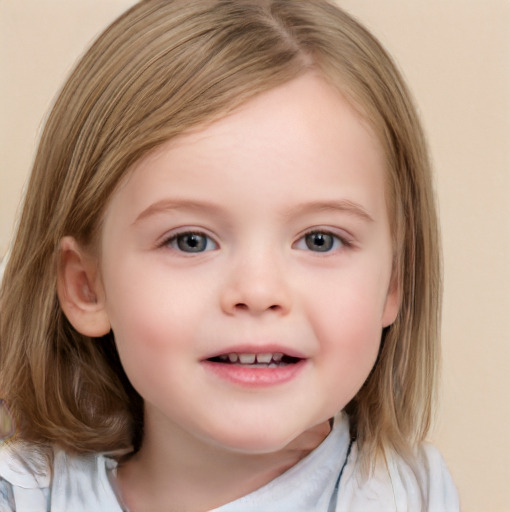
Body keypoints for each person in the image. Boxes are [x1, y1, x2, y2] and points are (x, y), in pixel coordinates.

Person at [0, 0, 459, 510]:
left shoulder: (411, 498)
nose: (259, 292)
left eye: (320, 239)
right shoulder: (21, 496)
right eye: (190, 241)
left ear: (394, 281)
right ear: (87, 285)